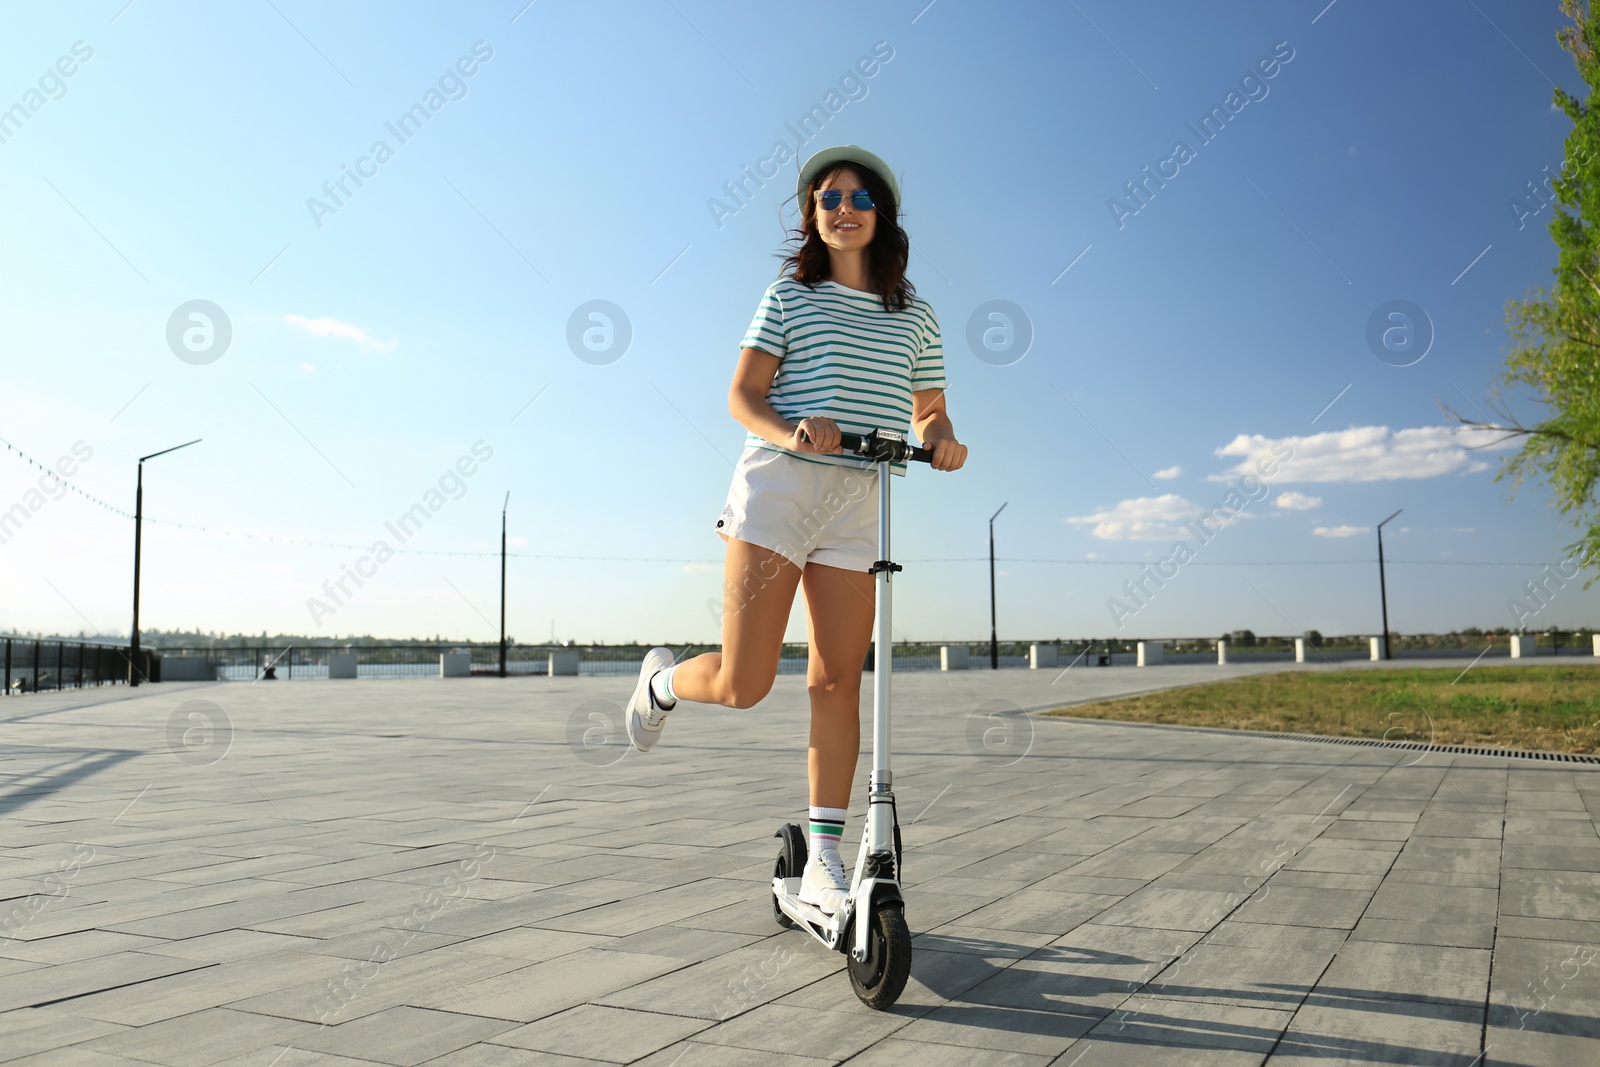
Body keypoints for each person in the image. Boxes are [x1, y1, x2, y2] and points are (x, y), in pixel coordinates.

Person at [625, 145, 967, 913]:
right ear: (814, 217)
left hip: (861, 496)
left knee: (837, 679)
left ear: (883, 214)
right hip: (779, 486)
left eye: (860, 197)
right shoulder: (789, 295)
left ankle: (825, 860)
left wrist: (943, 432)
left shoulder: (916, 315)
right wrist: (792, 431)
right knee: (746, 683)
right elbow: (744, 396)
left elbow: (928, 407)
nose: (843, 207)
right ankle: (659, 683)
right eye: (828, 198)